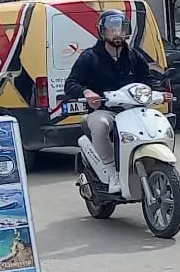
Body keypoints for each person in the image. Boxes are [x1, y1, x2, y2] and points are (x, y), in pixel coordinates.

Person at [65, 10, 154, 194]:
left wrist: (159, 91)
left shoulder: (134, 56)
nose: (117, 34)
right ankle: (112, 172)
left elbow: (149, 79)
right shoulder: (90, 57)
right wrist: (86, 92)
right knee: (100, 125)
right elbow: (71, 83)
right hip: (104, 110)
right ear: (102, 32)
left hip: (133, 110)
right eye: (112, 30)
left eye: (121, 29)